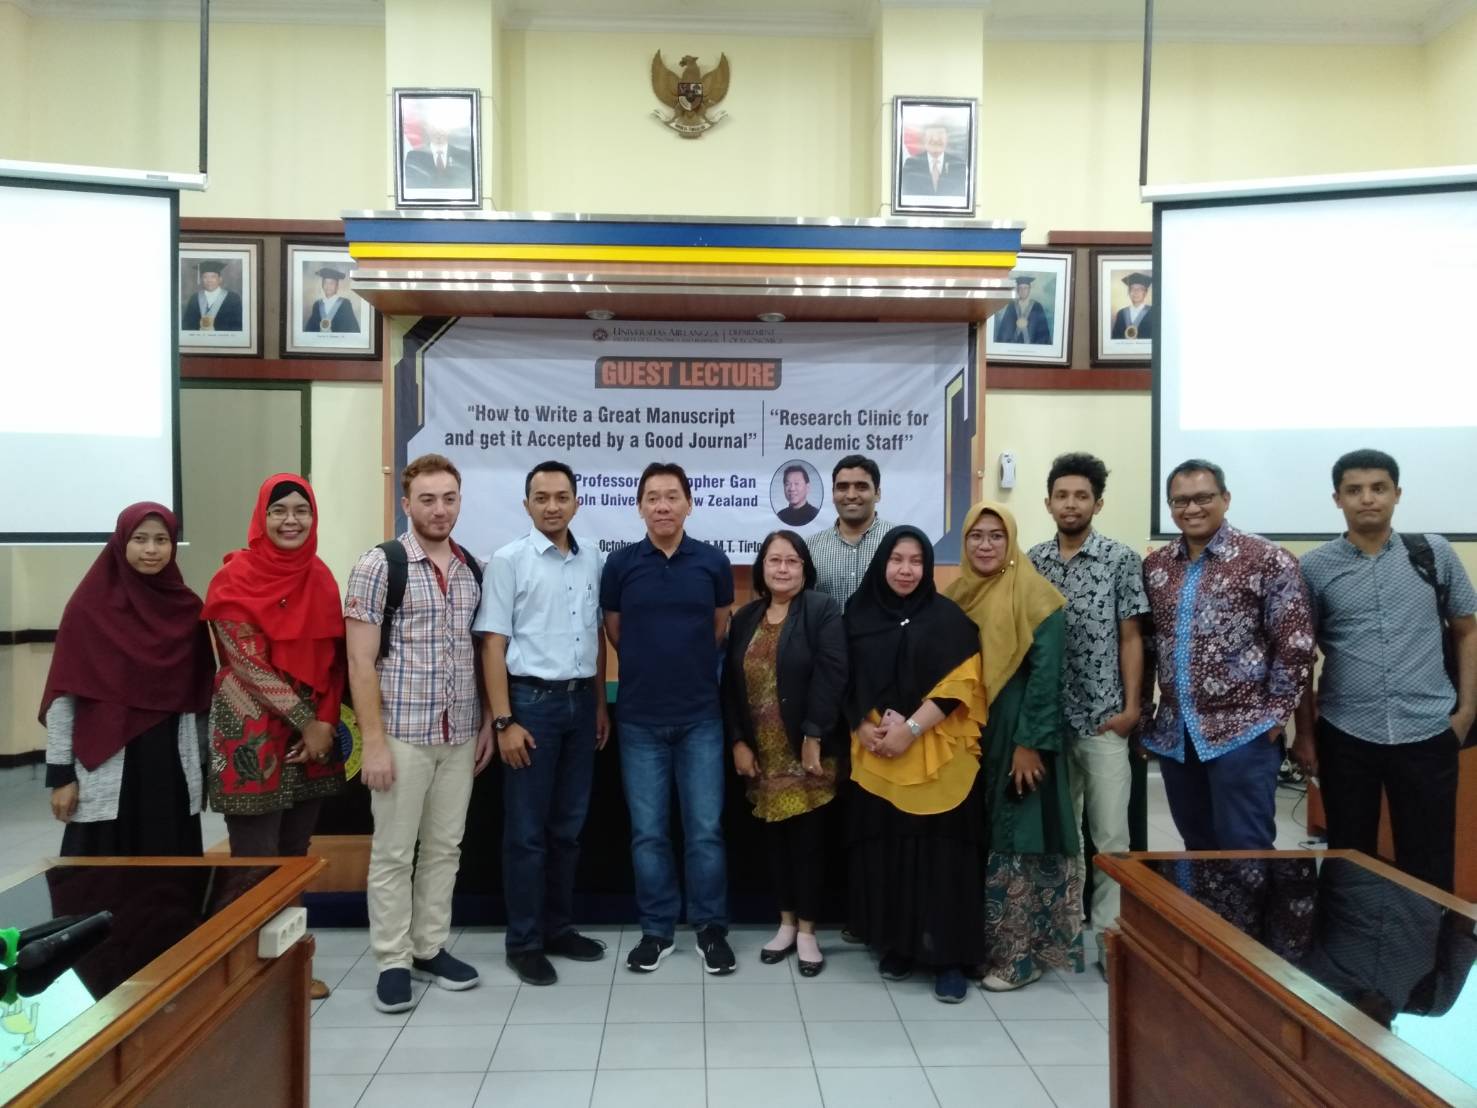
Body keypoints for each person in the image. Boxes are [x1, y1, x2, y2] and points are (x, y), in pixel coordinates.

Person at [345, 454, 494, 1013]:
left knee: (444, 849)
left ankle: (429, 947)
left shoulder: (472, 568)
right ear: (406, 504)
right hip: (401, 735)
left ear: (460, 502)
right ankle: (392, 960)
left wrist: (485, 722)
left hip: (459, 735)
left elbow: (478, 653)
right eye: (427, 499)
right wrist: (373, 743)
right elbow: (360, 663)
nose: (439, 509)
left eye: (449, 498)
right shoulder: (380, 565)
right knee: (393, 854)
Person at [1294, 449, 1476, 893]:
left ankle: (1428, 938)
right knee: (1349, 857)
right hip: (1346, 732)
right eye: (1354, 490)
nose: (1367, 498)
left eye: (1379, 488)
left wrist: (1466, 712)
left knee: (1429, 859)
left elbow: (1467, 630)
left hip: (1428, 729)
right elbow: (1300, 656)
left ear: (1397, 493)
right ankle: (1350, 937)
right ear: (1337, 499)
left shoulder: (1434, 553)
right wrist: (1306, 735)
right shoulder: (1314, 567)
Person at [202, 475, 347, 1000]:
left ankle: (290, 969)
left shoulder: (321, 577)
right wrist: (308, 720)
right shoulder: (233, 578)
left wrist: (324, 723)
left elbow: (334, 662)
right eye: (279, 510)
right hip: (251, 737)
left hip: (313, 739)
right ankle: (243, 974)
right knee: (255, 859)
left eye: (301, 511)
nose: (291, 520)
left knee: (293, 856)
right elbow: (246, 663)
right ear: (261, 517)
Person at [476, 460, 611, 986]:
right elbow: (493, 644)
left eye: (561, 497)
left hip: (580, 706)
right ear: (526, 505)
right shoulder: (509, 561)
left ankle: (558, 928)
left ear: (577, 502)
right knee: (527, 834)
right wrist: (504, 720)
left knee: (568, 830)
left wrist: (599, 705)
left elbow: (595, 636)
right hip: (530, 707)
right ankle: (525, 942)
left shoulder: (593, 558)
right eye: (541, 498)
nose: (552, 506)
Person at [600, 461, 737, 976]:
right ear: (639, 506)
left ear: (689, 504)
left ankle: (710, 928)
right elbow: (616, 632)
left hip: (701, 717)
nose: (662, 505)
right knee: (649, 834)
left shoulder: (713, 562)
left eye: (672, 496)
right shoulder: (620, 565)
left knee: (704, 831)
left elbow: (719, 628)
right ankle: (656, 931)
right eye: (653, 497)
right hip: (640, 721)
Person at [845, 526, 990, 1003]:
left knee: (943, 859)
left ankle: (949, 958)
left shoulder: (949, 619)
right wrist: (862, 727)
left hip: (936, 756)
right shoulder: (858, 614)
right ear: (882, 563)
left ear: (927, 567)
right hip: (880, 753)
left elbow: (960, 684)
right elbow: (843, 676)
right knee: (893, 853)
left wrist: (909, 729)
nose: (905, 570)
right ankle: (901, 945)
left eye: (915, 561)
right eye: (896, 560)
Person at [1143, 459, 1314, 851]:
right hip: (1176, 735)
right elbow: (1147, 646)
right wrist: (1143, 718)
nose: (1192, 508)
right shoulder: (1156, 567)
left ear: (1226, 498)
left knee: (1246, 848)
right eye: (1180, 501)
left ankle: (1252, 900)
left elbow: (1296, 645)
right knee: (1197, 847)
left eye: (1203, 497)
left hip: (1244, 733)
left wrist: (1275, 717)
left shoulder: (1267, 559)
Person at [948, 502, 1083, 991]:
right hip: (971, 734)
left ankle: (1020, 957)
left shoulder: (1037, 596)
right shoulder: (958, 595)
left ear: (1011, 541)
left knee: (1019, 838)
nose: (985, 545)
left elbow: (1047, 679)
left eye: (996, 535)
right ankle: (982, 948)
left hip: (1018, 733)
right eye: (976, 536)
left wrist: (1030, 744)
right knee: (982, 836)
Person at [1027, 453, 1148, 969]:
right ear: (1048, 502)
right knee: (1063, 832)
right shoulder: (1032, 561)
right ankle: (1065, 925)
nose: (1071, 504)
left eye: (1081, 496)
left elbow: (1131, 637)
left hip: (1103, 719)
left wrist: (1131, 708)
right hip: (1050, 723)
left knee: (1110, 834)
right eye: (1062, 495)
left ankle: (1109, 935)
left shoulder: (1120, 560)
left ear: (1097, 503)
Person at [40, 503, 216, 857]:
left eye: (161, 540)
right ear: (121, 542)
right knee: (100, 876)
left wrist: (202, 771)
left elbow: (200, 700)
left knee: (170, 875)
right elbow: (63, 697)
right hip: (107, 763)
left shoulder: (187, 610)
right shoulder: (88, 608)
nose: (151, 549)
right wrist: (61, 775)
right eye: (140, 539)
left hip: (170, 767)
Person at [723, 530, 846, 977]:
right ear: (762, 567)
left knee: (808, 844)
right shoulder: (745, 617)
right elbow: (730, 685)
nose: (782, 568)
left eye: (792, 561)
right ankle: (786, 923)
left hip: (807, 751)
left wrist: (814, 733)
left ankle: (809, 931)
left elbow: (833, 675)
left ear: (805, 569)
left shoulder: (821, 610)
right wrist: (738, 740)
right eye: (774, 560)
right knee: (775, 843)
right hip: (764, 752)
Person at [809, 454, 896, 607]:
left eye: (861, 487)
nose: (851, 495)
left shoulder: (898, 541)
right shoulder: (811, 547)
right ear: (833, 494)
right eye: (842, 487)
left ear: (877, 494)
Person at [403, 113, 474, 191]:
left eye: (442, 127)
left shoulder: (464, 156)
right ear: (427, 129)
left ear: (449, 129)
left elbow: (467, 186)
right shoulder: (414, 157)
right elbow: (413, 187)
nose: (438, 131)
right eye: (433, 127)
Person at [900, 123, 967, 198]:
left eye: (940, 134)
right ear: (924, 139)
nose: (935, 139)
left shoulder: (959, 165)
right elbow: (906, 195)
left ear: (947, 139)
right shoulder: (911, 164)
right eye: (931, 135)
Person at [181, 260, 243, 331]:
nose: (209, 280)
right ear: (201, 279)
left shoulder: (233, 298)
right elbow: (187, 325)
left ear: (220, 279)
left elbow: (238, 326)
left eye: (213, 277)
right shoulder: (195, 298)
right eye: (205, 277)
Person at [993, 275, 1051, 345]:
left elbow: (1043, 332)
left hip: (1032, 346)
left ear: (1029, 289)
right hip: (1014, 346)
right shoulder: (1012, 306)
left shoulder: (1037, 307)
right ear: (1017, 290)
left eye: (1025, 288)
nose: (1023, 291)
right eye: (1020, 288)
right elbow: (1005, 330)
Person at [304, 267, 359, 334]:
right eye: (325, 283)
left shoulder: (345, 304)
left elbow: (352, 328)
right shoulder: (317, 305)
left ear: (337, 286)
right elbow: (310, 329)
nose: (328, 286)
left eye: (331, 283)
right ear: (322, 285)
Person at [1110, 273, 1153, 340]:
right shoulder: (1121, 313)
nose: (1136, 292)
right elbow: (1115, 338)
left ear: (1145, 293)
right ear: (1129, 292)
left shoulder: (1153, 312)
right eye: (1132, 289)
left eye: (1140, 289)